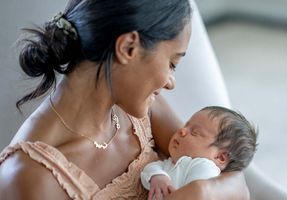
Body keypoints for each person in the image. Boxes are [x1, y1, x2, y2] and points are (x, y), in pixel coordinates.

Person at [0, 0, 250, 199]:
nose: (170, 82)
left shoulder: (141, 109)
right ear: (128, 47)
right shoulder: (30, 177)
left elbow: (235, 178)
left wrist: (200, 192)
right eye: (172, 63)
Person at [141, 106, 258, 200]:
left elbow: (196, 193)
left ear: (220, 157)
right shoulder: (171, 163)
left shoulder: (204, 168)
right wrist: (158, 177)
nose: (182, 131)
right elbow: (151, 168)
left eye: (195, 132)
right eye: (185, 125)